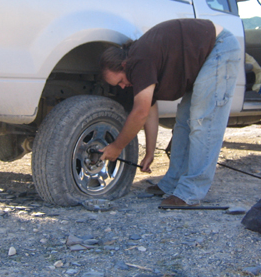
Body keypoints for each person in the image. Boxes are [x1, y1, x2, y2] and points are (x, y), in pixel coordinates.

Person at [99, 19, 241, 207]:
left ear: (124, 65)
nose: (124, 87)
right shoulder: (140, 62)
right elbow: (149, 110)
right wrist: (150, 152)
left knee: (203, 121)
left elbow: (140, 112)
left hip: (219, 47)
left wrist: (117, 146)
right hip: (203, 58)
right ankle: (172, 183)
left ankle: (190, 192)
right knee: (183, 122)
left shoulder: (139, 60)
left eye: (120, 82)